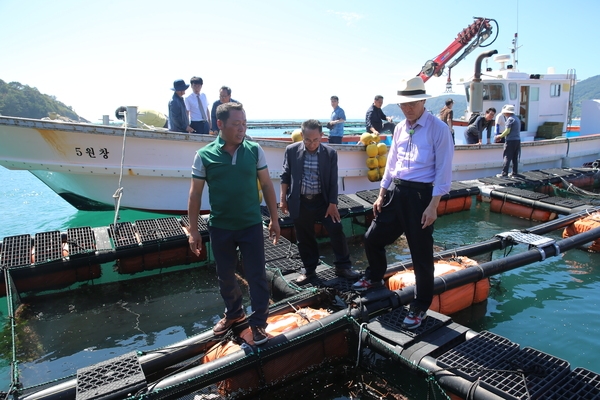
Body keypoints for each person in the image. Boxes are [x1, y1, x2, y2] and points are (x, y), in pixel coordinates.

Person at [352, 77, 454, 330]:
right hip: (397, 191)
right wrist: (381, 192)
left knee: (421, 255)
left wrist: (433, 205)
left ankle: (420, 306)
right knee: (372, 238)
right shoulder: (398, 128)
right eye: (403, 105)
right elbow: (391, 163)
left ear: (423, 101)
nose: (408, 109)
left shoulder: (438, 129)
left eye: (412, 103)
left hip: (421, 196)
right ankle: (375, 276)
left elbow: (443, 170)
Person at [188, 102, 281, 345]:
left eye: (244, 124)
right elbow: (195, 194)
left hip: (250, 224)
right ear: (220, 124)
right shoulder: (204, 155)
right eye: (236, 124)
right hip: (220, 227)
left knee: (256, 275)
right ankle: (234, 313)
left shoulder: (254, 150)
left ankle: (259, 322)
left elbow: (268, 185)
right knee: (225, 275)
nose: (242, 129)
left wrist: (274, 218)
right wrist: (194, 230)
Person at [280, 119, 360, 284]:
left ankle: (343, 266)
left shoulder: (330, 153)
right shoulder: (291, 150)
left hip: (322, 201)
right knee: (304, 236)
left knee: (336, 227)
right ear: (302, 135)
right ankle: (309, 270)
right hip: (300, 201)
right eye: (307, 140)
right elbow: (285, 176)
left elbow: (332, 181)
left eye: (316, 140)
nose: (311, 144)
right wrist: (283, 199)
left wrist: (333, 203)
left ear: (322, 136)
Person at [495, 104, 521, 177]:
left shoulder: (510, 119)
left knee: (507, 156)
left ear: (508, 112)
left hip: (511, 141)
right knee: (515, 157)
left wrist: (499, 136)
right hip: (517, 140)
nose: (504, 114)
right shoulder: (516, 118)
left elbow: (507, 131)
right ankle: (514, 172)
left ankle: (504, 173)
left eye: (505, 112)